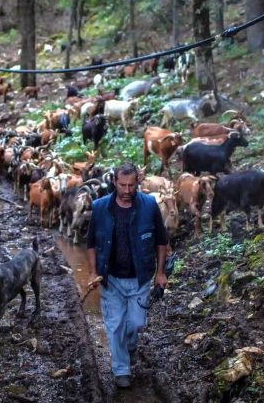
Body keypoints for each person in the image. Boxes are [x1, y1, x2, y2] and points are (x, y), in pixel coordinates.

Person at [86, 162, 168, 389]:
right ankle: (121, 369)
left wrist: (160, 273)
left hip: (140, 278)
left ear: (137, 182)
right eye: (122, 185)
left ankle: (130, 346)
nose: (127, 190)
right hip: (111, 278)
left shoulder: (149, 205)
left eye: (131, 185)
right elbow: (91, 243)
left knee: (136, 323)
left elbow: (161, 241)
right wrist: (92, 272)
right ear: (114, 182)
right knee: (115, 326)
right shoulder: (100, 207)